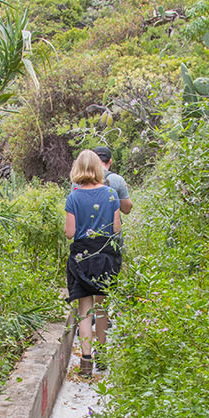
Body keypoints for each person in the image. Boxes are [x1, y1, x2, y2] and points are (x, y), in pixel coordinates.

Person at [65, 149, 121, 378]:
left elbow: (70, 233)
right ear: (100, 168)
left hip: (81, 257)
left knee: (84, 309)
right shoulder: (111, 194)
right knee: (102, 307)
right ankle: (103, 356)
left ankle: (86, 362)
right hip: (107, 254)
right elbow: (116, 229)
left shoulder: (74, 197)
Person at [93, 145, 133, 214]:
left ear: (92, 161)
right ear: (110, 161)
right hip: (111, 224)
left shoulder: (79, 180)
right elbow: (126, 209)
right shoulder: (117, 179)